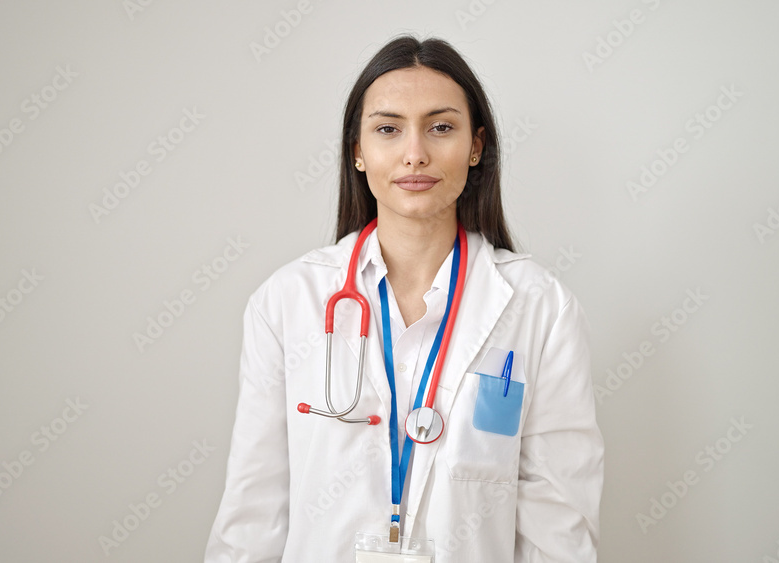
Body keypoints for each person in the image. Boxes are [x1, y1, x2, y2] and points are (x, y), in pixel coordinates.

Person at [205, 35, 603, 562]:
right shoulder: (287, 302)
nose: (415, 153)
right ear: (359, 152)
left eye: (441, 127)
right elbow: (253, 513)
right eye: (388, 129)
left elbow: (558, 525)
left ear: (477, 146)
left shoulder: (541, 309)